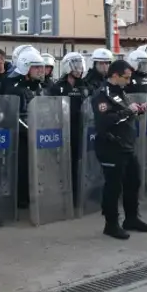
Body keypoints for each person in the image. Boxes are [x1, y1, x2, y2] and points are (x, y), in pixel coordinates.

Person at [91, 60, 147, 240]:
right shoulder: (102, 95)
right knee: (113, 186)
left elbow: (124, 116)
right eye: (126, 77)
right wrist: (127, 112)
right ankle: (111, 224)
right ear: (115, 75)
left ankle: (132, 218)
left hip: (125, 144)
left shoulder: (121, 92)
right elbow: (104, 121)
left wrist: (137, 110)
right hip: (110, 146)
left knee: (133, 181)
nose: (129, 81)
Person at [3, 49, 46, 209]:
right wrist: (30, 130)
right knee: (21, 169)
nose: (40, 70)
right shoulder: (14, 87)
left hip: (36, 133)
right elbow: (14, 114)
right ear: (25, 67)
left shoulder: (37, 85)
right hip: (21, 136)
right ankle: (21, 200)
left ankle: (32, 196)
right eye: (36, 67)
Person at [48, 52, 90, 206]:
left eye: (80, 65)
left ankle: (77, 195)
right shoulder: (58, 87)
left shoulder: (85, 86)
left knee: (79, 162)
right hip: (63, 129)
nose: (79, 69)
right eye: (75, 65)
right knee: (64, 163)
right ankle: (63, 194)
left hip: (80, 129)